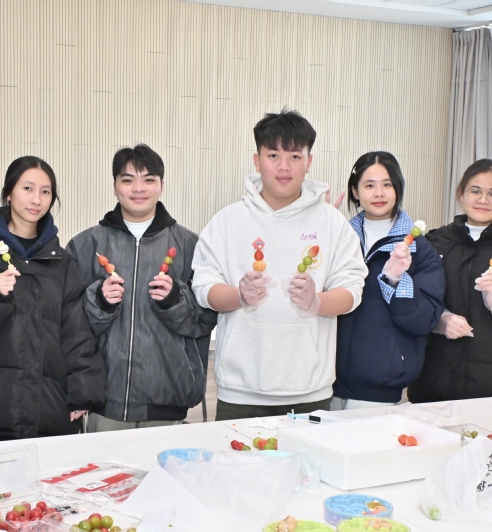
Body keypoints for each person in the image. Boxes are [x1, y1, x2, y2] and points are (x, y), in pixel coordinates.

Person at [191, 109, 368, 420]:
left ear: (309, 161)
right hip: (240, 390)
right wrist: (239, 295)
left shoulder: (331, 223)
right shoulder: (227, 221)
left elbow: (353, 290)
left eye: (295, 156)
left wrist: (317, 302)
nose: (284, 166)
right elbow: (204, 287)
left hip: (310, 389)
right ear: (257, 160)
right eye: (273, 155)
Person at [0, 156, 106, 440]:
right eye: (27, 188)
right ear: (9, 193)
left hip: (47, 407)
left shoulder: (62, 263)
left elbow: (77, 331)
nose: (36, 199)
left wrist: (83, 389)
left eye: (45, 191)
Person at [66, 144, 217, 431]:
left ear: (162, 186)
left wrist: (174, 300)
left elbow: (206, 319)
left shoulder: (190, 246)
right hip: (104, 399)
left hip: (167, 396)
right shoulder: (85, 245)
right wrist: (99, 301)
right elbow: (68, 322)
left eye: (148, 179)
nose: (138, 188)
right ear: (115, 186)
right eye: (128, 180)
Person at [408, 159, 492, 402]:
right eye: (475, 191)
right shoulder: (434, 244)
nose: (483, 200)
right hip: (432, 384)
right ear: (461, 194)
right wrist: (439, 320)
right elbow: (410, 302)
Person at [332, 152, 445, 409]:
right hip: (322, 381)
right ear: (355, 191)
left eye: (387, 184)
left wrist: (394, 280)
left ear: (398, 188)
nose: (379, 193)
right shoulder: (338, 238)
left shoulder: (418, 249)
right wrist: (320, 230)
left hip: (379, 385)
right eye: (369, 185)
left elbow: (425, 319)